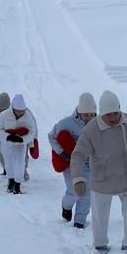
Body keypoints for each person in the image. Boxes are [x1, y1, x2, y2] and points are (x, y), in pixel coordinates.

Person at [71, 90, 127, 254]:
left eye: (115, 113)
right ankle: (100, 244)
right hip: (102, 180)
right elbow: (78, 155)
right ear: (101, 113)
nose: (112, 118)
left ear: (120, 109)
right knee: (100, 215)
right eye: (108, 114)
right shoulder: (91, 129)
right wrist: (78, 178)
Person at [49, 92, 97, 229]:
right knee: (75, 190)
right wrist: (61, 152)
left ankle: (80, 221)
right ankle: (66, 205)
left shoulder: (99, 124)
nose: (88, 118)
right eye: (85, 115)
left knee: (87, 192)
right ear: (79, 112)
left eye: (91, 114)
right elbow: (51, 136)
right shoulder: (66, 123)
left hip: (90, 164)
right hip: (71, 163)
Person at [0, 94, 36, 195]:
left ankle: (17, 186)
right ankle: (10, 183)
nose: (20, 113)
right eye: (18, 111)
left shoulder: (28, 116)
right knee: (8, 163)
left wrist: (22, 139)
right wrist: (7, 137)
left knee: (20, 164)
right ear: (13, 108)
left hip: (20, 144)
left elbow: (32, 131)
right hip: (7, 143)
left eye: (22, 111)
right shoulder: (4, 115)